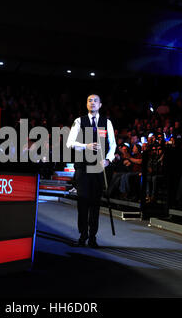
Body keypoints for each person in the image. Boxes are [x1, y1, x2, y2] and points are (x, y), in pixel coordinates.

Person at [66, 94, 116, 248]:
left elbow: (112, 145)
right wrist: (85, 146)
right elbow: (70, 143)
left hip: (99, 168)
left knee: (95, 204)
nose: (92, 103)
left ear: (100, 105)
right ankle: (83, 236)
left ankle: (93, 237)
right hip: (82, 167)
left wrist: (108, 159)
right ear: (86, 104)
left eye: (95, 101)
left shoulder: (106, 122)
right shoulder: (79, 121)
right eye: (89, 100)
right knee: (83, 202)